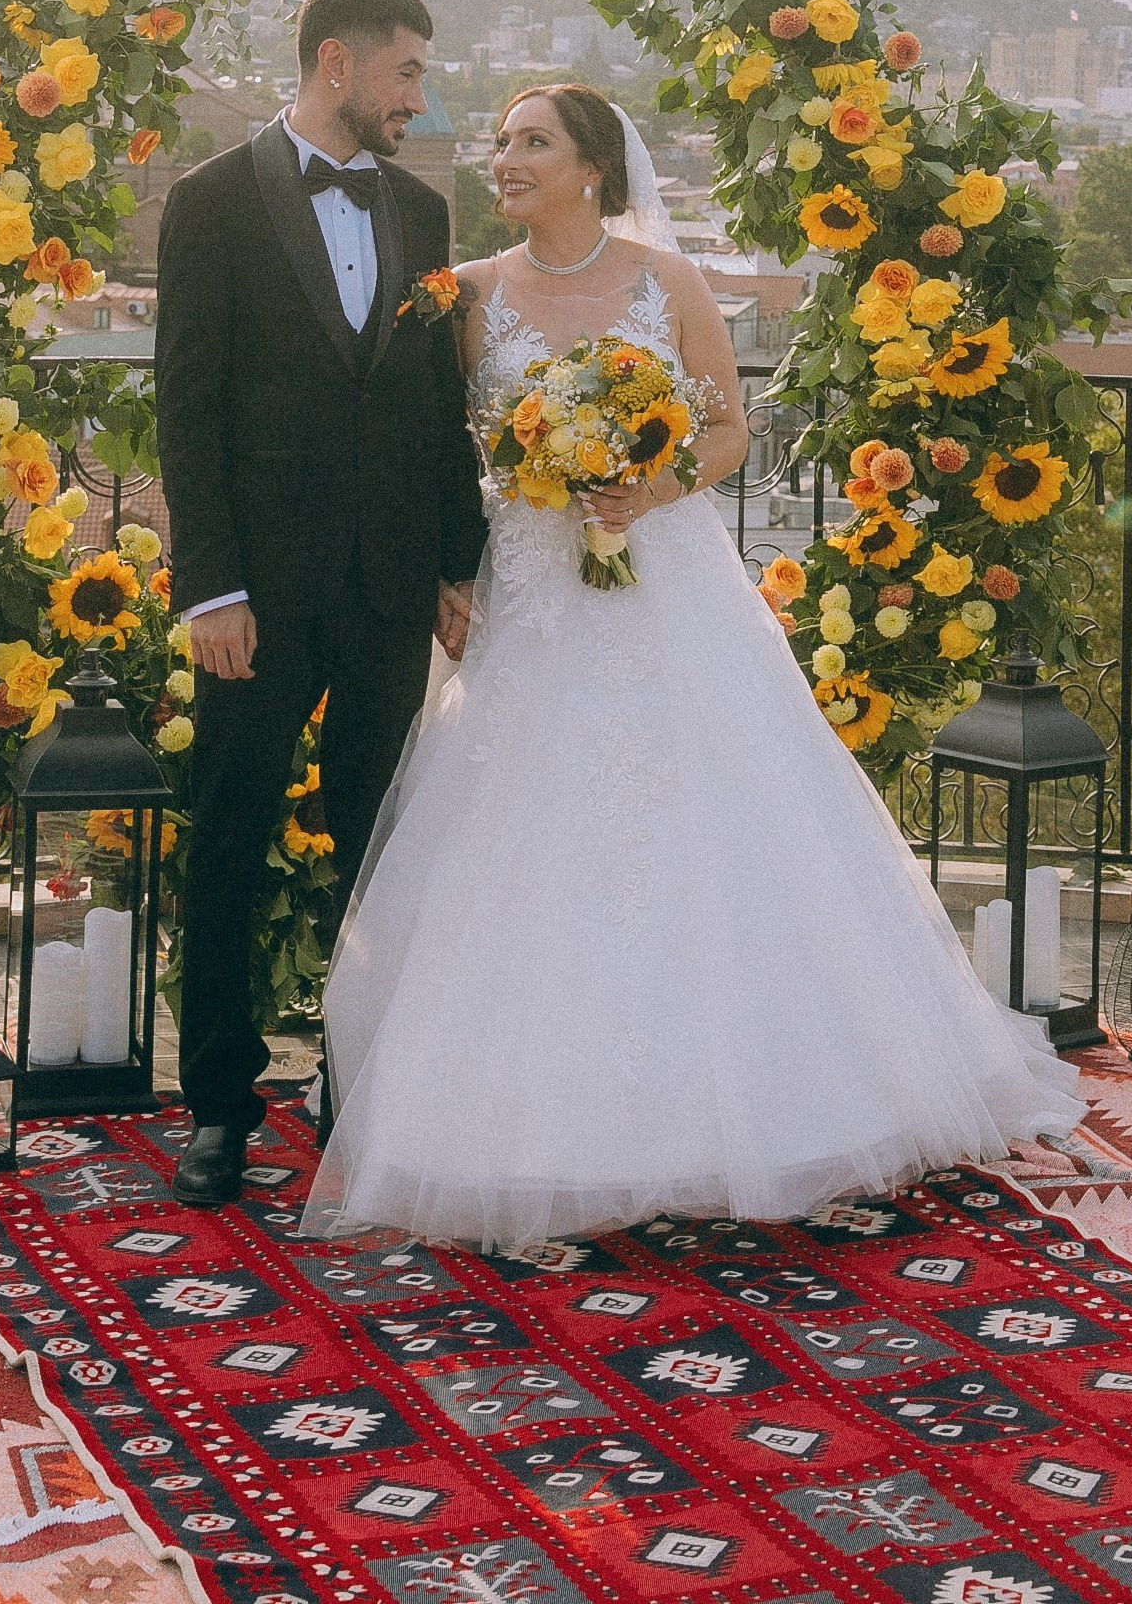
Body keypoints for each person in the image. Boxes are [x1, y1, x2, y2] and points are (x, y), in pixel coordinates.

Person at [301, 83, 1083, 1247]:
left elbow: (727, 430)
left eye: (531, 142)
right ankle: (525, 1116)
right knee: (519, 826)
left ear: (593, 170)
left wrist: (644, 488)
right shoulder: (466, 298)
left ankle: (754, 1101)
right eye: (502, 141)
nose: (504, 158)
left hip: (661, 586)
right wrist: (451, 569)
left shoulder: (665, 284)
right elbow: (433, 453)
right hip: (530, 594)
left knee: (709, 816)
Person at [155, 0, 486, 1207]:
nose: (417, 98)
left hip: (388, 581)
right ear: (336, 64)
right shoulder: (208, 202)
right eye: (404, 72)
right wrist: (210, 590)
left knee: (380, 845)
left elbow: (434, 404)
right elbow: (186, 406)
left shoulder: (422, 210)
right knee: (230, 836)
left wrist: (453, 562)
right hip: (257, 592)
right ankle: (218, 1108)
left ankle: (360, 1090)